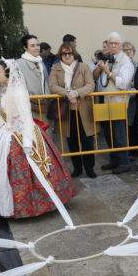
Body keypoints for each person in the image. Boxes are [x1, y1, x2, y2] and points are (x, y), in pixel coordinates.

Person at [0, 60, 76, 218]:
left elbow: (26, 118)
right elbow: (0, 113)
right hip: (6, 133)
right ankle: (3, 205)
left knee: (31, 169)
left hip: (21, 133)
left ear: (8, 74)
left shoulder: (19, 92)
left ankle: (36, 205)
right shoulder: (4, 89)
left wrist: (27, 142)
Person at [49, 42, 97, 179]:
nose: (67, 56)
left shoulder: (83, 67)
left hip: (83, 110)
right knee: (72, 140)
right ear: (60, 55)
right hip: (66, 110)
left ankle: (89, 168)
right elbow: (52, 86)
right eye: (64, 53)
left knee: (87, 140)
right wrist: (68, 94)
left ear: (74, 54)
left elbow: (90, 85)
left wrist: (76, 93)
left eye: (70, 53)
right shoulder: (55, 68)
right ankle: (77, 168)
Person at [92, 32, 134, 174]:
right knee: (108, 133)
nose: (113, 45)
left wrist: (108, 72)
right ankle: (114, 159)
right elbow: (96, 78)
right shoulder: (106, 59)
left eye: (116, 43)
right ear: (107, 45)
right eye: (111, 43)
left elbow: (122, 83)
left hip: (118, 102)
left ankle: (124, 162)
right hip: (104, 100)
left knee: (118, 133)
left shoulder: (126, 62)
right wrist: (100, 66)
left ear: (121, 45)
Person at [15, 34, 50, 117]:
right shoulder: (18, 64)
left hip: (44, 105)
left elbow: (47, 82)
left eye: (37, 45)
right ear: (25, 47)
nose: (36, 48)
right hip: (28, 107)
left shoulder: (41, 63)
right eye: (32, 46)